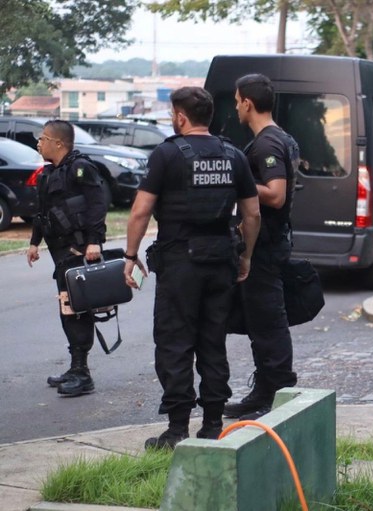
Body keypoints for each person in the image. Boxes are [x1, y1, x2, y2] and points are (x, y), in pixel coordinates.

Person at [123, 86, 260, 449]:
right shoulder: (234, 155)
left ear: (181, 117)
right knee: (213, 341)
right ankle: (213, 424)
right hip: (221, 260)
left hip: (180, 263)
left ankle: (177, 429)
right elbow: (252, 213)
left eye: (173, 114)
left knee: (175, 342)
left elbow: (140, 210)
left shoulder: (168, 154)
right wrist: (245, 256)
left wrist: (130, 255)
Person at [222, 74, 301, 420]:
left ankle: (277, 393)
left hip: (266, 244)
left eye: (237, 101)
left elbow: (277, 193)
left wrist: (239, 183)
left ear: (247, 103)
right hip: (270, 239)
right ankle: (264, 390)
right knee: (260, 320)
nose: (236, 107)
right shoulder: (280, 137)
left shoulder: (267, 143)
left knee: (268, 320)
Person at [27, 120, 108, 397]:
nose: (39, 143)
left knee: (77, 310)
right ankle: (76, 367)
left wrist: (94, 241)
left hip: (78, 251)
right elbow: (42, 211)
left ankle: (82, 373)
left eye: (43, 138)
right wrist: (34, 242)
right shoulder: (50, 173)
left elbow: (98, 203)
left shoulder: (80, 168)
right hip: (60, 254)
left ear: (58, 143)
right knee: (68, 310)